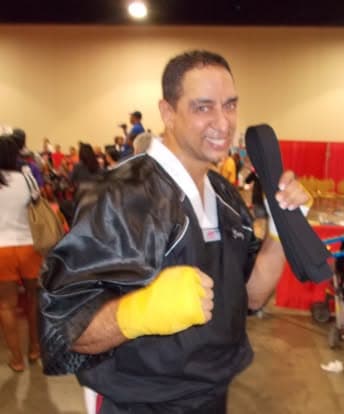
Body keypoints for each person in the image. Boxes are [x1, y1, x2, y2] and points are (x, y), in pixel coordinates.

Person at [39, 50, 309, 413]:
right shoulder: (123, 195)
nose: (223, 122)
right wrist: (138, 312)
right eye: (203, 107)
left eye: (230, 105)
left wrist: (281, 229)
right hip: (138, 402)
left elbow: (252, 296)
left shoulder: (225, 195)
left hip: (211, 394)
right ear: (168, 112)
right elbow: (64, 330)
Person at [0, 134, 42, 372]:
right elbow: (36, 201)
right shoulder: (27, 178)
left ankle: (16, 359)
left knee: (6, 306)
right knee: (33, 300)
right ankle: (34, 348)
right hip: (28, 246)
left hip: (1, 250)